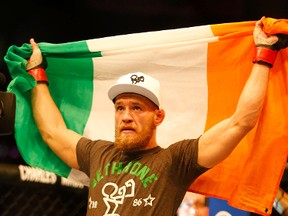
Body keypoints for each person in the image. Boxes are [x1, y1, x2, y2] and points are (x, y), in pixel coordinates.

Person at [26, 19, 288, 216]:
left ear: (158, 116)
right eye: (120, 108)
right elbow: (53, 131)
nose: (126, 116)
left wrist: (264, 56)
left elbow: (241, 121)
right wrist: (38, 73)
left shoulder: (176, 160)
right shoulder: (97, 153)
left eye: (137, 108)